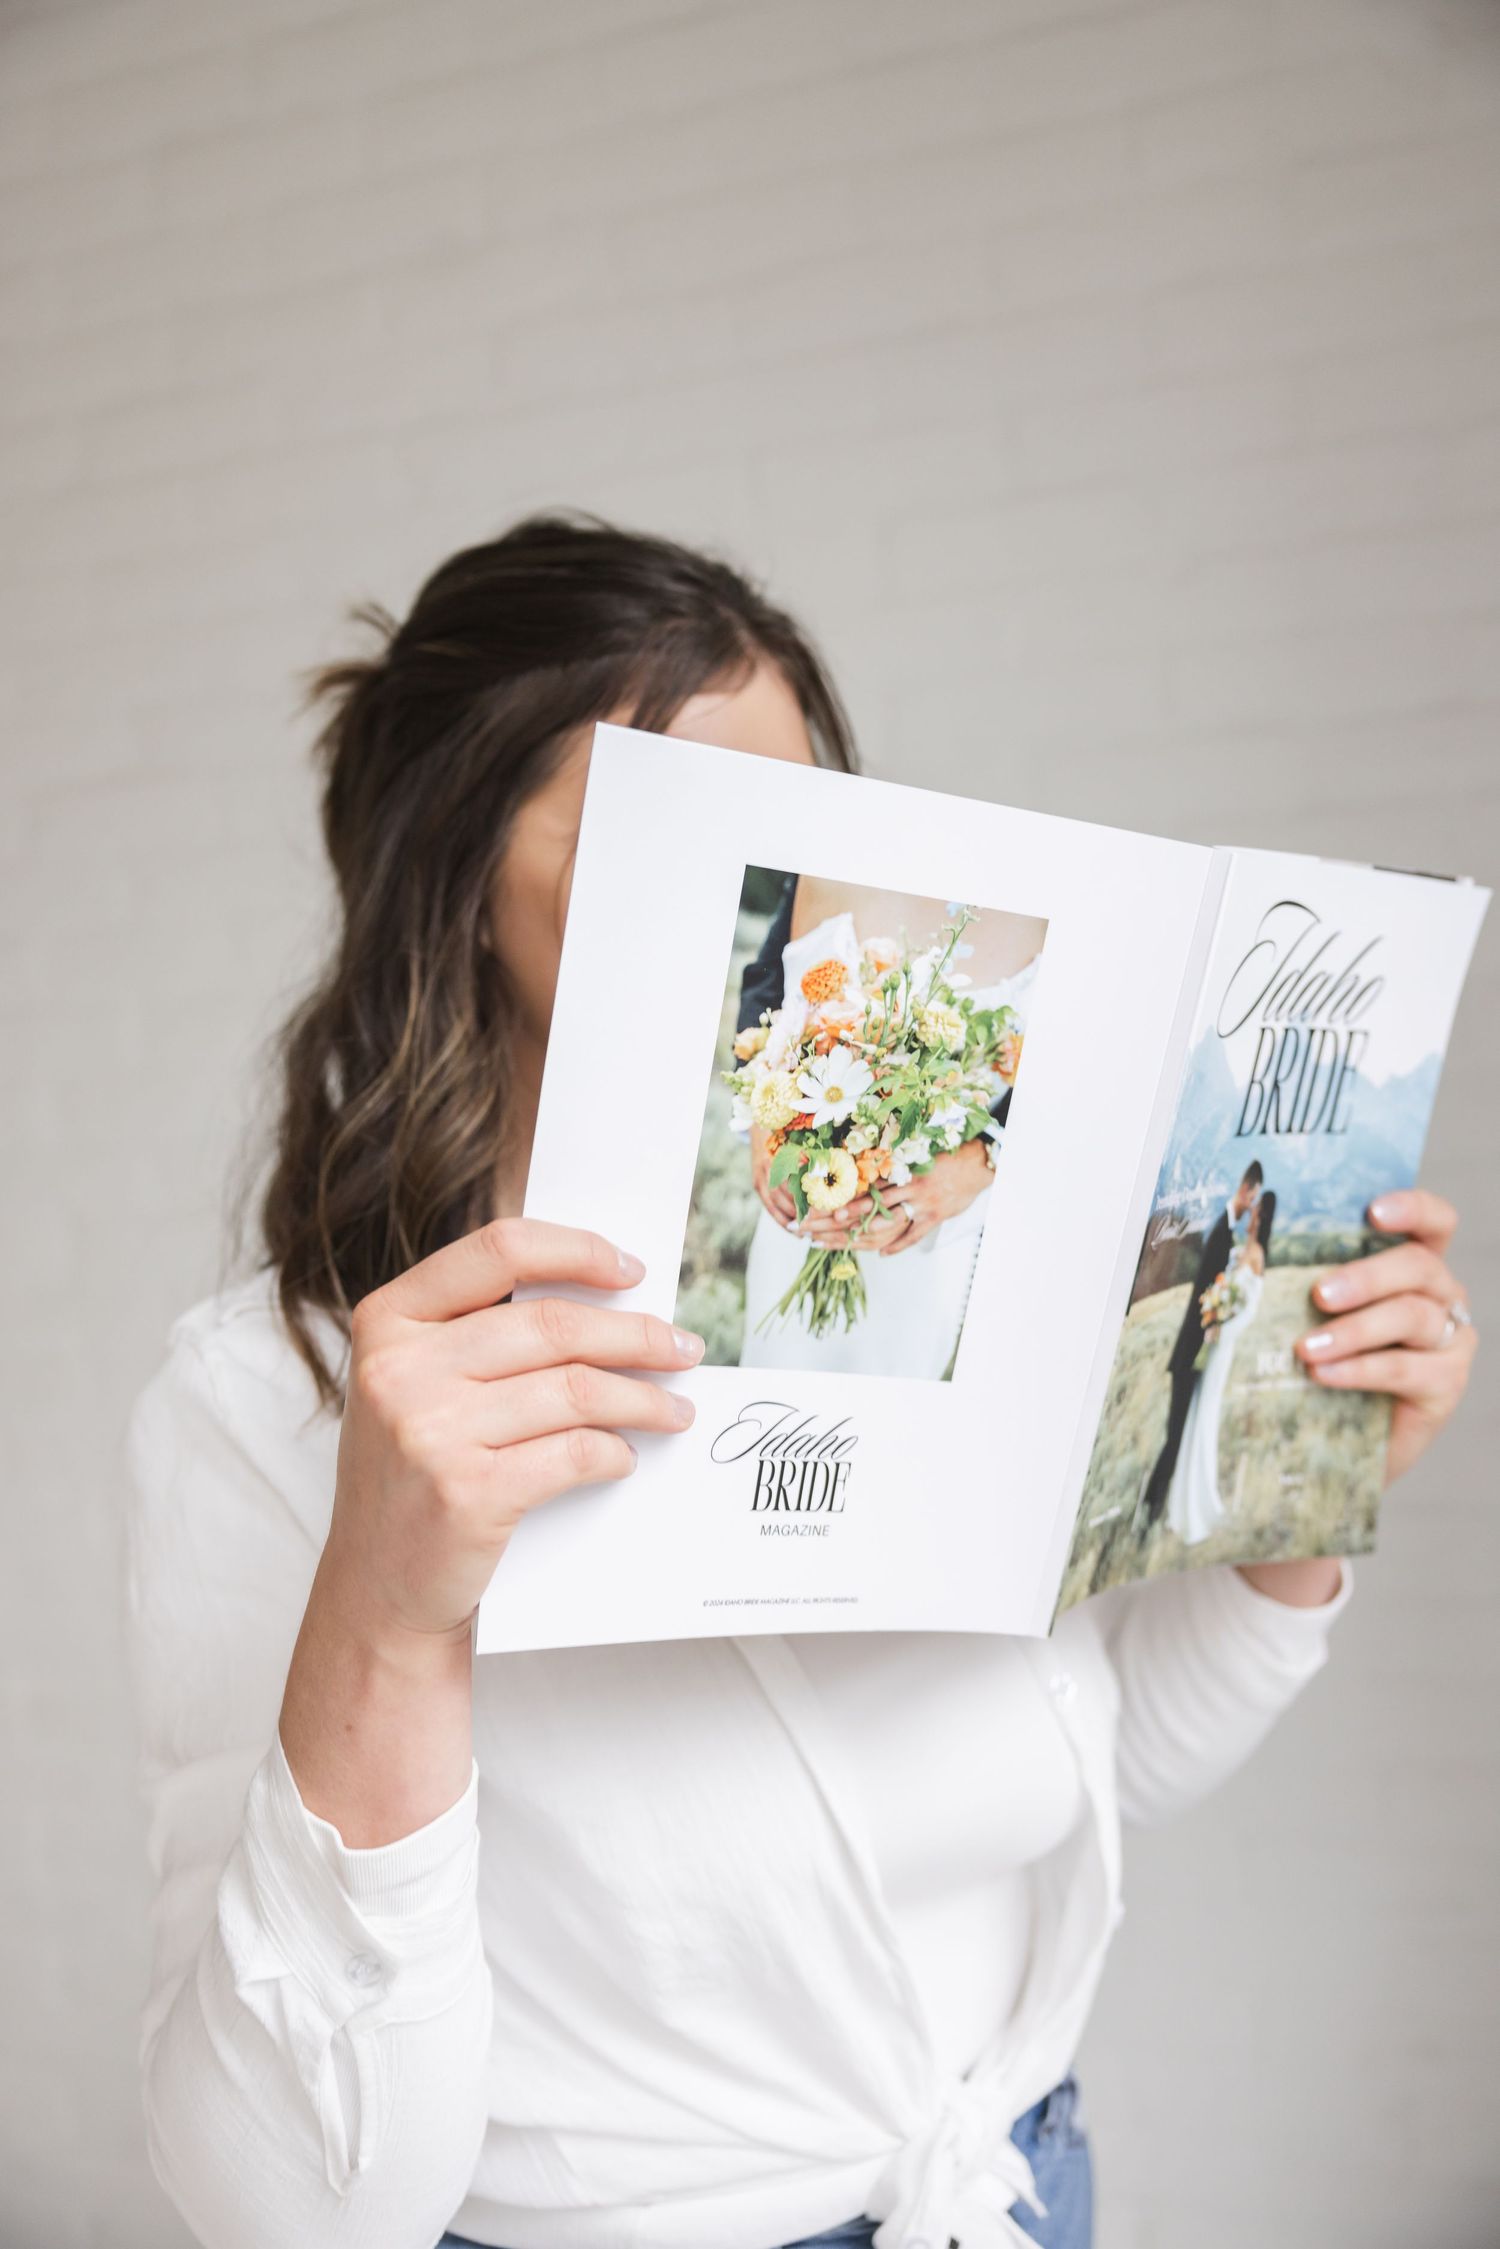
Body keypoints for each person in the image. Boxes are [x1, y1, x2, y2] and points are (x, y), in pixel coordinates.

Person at [125, 514, 1480, 2249]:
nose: (759, 895)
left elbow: (1099, 1758)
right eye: (669, 826)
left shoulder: (939, 1271)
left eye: (806, 832)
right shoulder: (265, 1406)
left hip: (1021, 2184)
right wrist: (384, 1614)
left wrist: (1294, 1487)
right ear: (460, 885)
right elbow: (277, 2204)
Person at [737, 879, 1045, 1378]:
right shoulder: (824, 856)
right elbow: (765, 986)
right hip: (799, 1210)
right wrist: (759, 1117)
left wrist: (987, 1157)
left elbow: (1078, 1076)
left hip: (929, 1235)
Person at [1138, 1161, 1263, 1531]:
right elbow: (1204, 1298)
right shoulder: (1222, 1233)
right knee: (1175, 1437)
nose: (1252, 1202)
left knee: (1182, 1434)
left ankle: (1161, 1508)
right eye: (1252, 1194)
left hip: (1200, 1354)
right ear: (1245, 1188)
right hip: (1191, 1354)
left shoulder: (1227, 1233)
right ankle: (1151, 1509)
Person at [1166, 1190, 1275, 1548]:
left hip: (1221, 1345)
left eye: (1257, 1212)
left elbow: (1243, 1308)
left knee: (1205, 1410)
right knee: (1200, 1409)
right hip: (1216, 1343)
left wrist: (1218, 1324)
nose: (1252, 1216)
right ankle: (1188, 1501)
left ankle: (1198, 1503)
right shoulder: (1250, 1250)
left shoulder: (1254, 1254)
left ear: (1262, 1218)